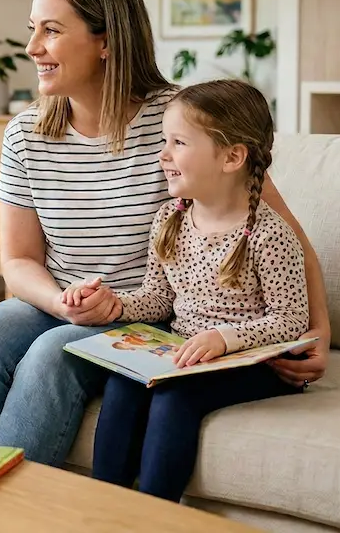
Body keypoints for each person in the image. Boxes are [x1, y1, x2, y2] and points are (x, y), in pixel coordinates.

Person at [0, 0, 331, 464]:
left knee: (53, 355)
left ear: (106, 40)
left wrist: (318, 335)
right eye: (32, 30)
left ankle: (11, 511)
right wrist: (62, 302)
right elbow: (18, 262)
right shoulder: (24, 135)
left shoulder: (179, 123)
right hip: (57, 299)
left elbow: (281, 234)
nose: (32, 47)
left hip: (146, 312)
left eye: (52, 31)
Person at [82, 79, 308, 502]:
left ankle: (156, 514)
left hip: (254, 365)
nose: (163, 155)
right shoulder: (170, 219)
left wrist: (223, 339)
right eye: (165, 141)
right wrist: (116, 304)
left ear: (232, 157)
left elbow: (292, 320)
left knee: (174, 396)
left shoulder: (267, 235)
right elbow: (158, 298)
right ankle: (106, 508)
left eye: (179, 142)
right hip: (185, 353)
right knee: (124, 382)